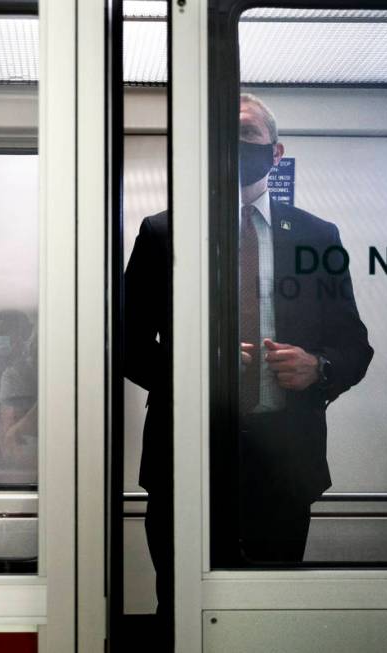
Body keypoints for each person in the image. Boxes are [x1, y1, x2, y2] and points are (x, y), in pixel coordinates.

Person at [124, 93, 373, 642]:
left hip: (284, 463)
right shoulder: (162, 232)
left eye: (246, 136)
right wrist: (195, 371)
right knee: (182, 612)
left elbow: (354, 345)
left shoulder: (317, 235)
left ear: (276, 152)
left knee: (273, 611)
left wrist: (319, 367)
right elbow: (127, 344)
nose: (232, 149)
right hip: (184, 463)